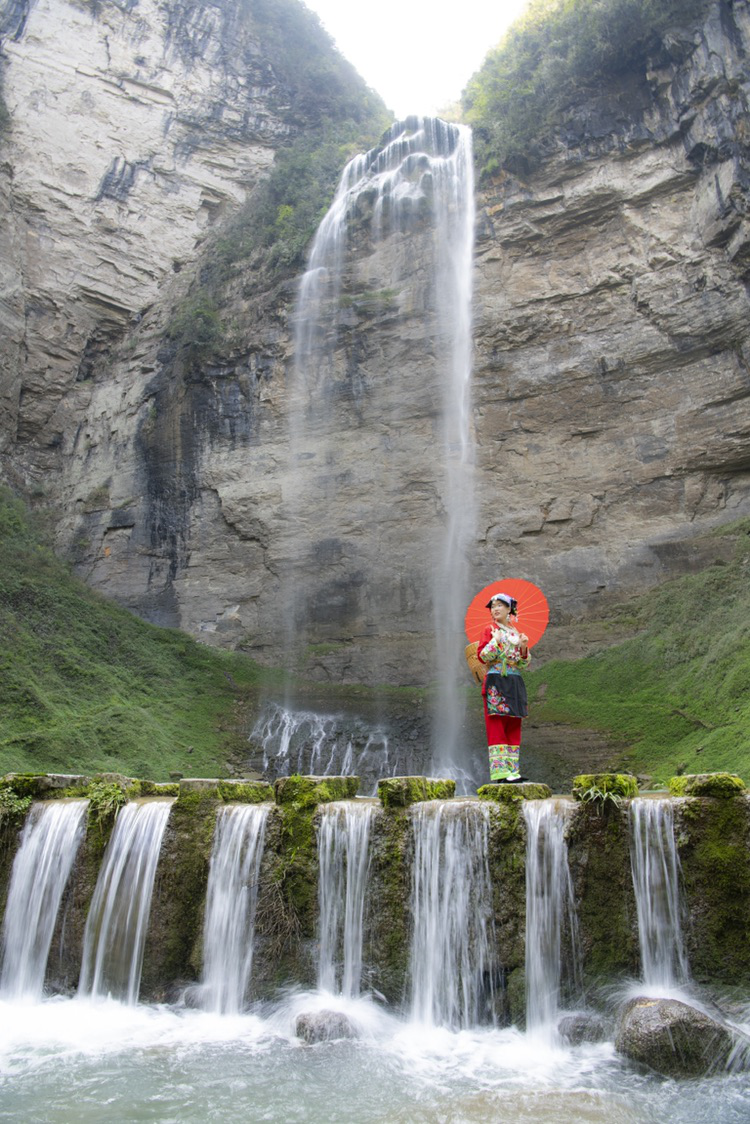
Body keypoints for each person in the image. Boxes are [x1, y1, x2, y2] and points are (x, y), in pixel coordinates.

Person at [477, 592, 530, 784]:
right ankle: (501, 773)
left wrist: (523, 647)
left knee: (514, 724)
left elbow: (523, 664)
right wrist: (495, 640)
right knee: (497, 724)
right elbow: (483, 656)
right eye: (493, 606)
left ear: (509, 609)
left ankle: (513, 771)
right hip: (496, 681)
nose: (495, 609)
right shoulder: (489, 629)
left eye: (500, 605)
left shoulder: (517, 633)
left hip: (514, 681)